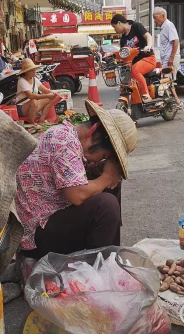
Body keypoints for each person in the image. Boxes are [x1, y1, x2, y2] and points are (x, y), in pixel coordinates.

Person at [15, 100, 138, 260]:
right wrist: (106, 177)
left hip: (52, 219)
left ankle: (108, 256)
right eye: (103, 157)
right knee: (106, 205)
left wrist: (99, 172)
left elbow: (71, 175)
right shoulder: (64, 142)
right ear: (93, 133)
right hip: (37, 237)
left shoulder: (66, 136)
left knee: (112, 186)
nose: (96, 161)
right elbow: (76, 195)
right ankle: (96, 270)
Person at [110, 14, 156, 102]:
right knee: (125, 79)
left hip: (148, 59)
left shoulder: (136, 26)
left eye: (114, 27)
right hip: (134, 63)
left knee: (135, 70)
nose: (115, 30)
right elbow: (123, 54)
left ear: (119, 23)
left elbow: (148, 36)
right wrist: (113, 57)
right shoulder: (123, 39)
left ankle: (145, 94)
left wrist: (148, 46)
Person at [13, 58, 57, 124]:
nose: (34, 72)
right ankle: (32, 122)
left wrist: (54, 94)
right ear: (26, 72)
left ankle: (42, 119)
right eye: (32, 70)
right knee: (34, 101)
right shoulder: (21, 81)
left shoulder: (35, 80)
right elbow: (30, 96)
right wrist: (48, 95)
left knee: (49, 99)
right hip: (22, 108)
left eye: (34, 70)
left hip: (33, 106)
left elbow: (45, 90)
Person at [153, 7, 180, 72]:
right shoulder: (163, 27)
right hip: (166, 60)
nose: (154, 20)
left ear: (163, 16)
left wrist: (172, 58)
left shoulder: (168, 25)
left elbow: (175, 41)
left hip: (170, 60)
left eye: (155, 17)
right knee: (166, 80)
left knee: (170, 80)